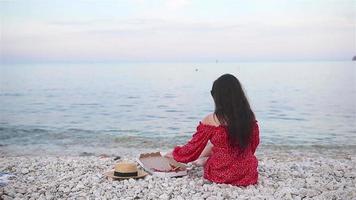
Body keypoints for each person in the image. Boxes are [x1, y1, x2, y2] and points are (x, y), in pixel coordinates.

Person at [165, 74, 260, 186]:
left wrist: (176, 153)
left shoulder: (212, 119)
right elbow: (253, 144)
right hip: (247, 172)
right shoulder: (249, 116)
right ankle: (203, 160)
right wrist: (241, 158)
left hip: (221, 172)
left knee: (215, 146)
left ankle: (203, 161)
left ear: (218, 97)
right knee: (217, 146)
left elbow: (192, 149)